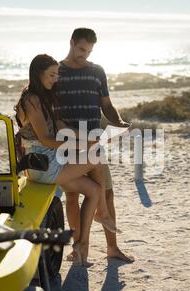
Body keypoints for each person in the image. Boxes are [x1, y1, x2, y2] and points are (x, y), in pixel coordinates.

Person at [14, 54, 118, 267]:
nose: (55, 78)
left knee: (94, 191)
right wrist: (82, 145)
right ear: (38, 74)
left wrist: (86, 139)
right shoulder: (31, 99)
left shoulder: (43, 97)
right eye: (51, 74)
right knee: (96, 158)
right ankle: (103, 213)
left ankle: (80, 247)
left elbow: (61, 127)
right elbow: (45, 139)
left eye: (57, 74)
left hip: (46, 162)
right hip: (43, 164)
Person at [55, 28, 135, 263]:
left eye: (89, 51)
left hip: (95, 144)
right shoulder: (56, 73)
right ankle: (79, 250)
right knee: (72, 198)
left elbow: (106, 105)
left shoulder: (97, 71)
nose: (84, 55)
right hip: (69, 144)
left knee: (107, 195)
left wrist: (118, 122)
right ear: (71, 42)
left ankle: (112, 248)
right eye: (81, 49)